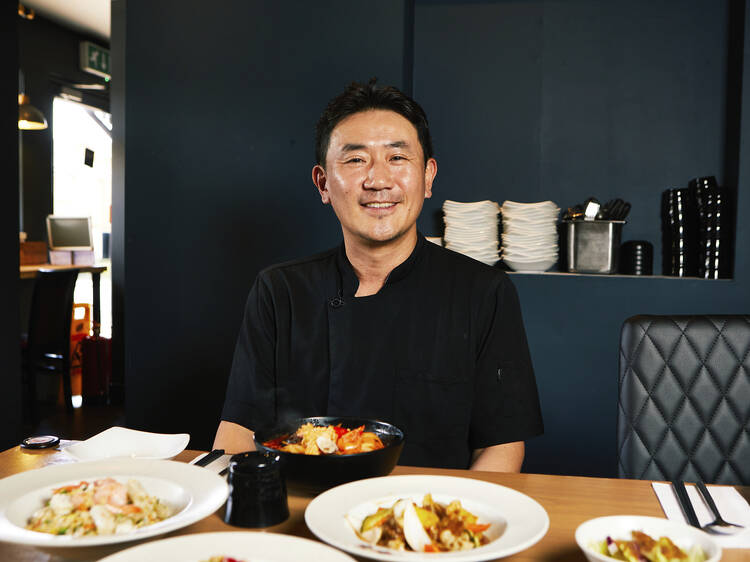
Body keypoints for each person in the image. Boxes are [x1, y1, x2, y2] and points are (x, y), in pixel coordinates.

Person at [214, 79, 543, 471]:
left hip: (426, 514)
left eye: (397, 158)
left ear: (428, 178)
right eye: (355, 160)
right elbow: (237, 431)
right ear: (322, 183)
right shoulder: (279, 290)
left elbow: (501, 447)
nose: (378, 180)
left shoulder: (484, 293)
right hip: (299, 510)